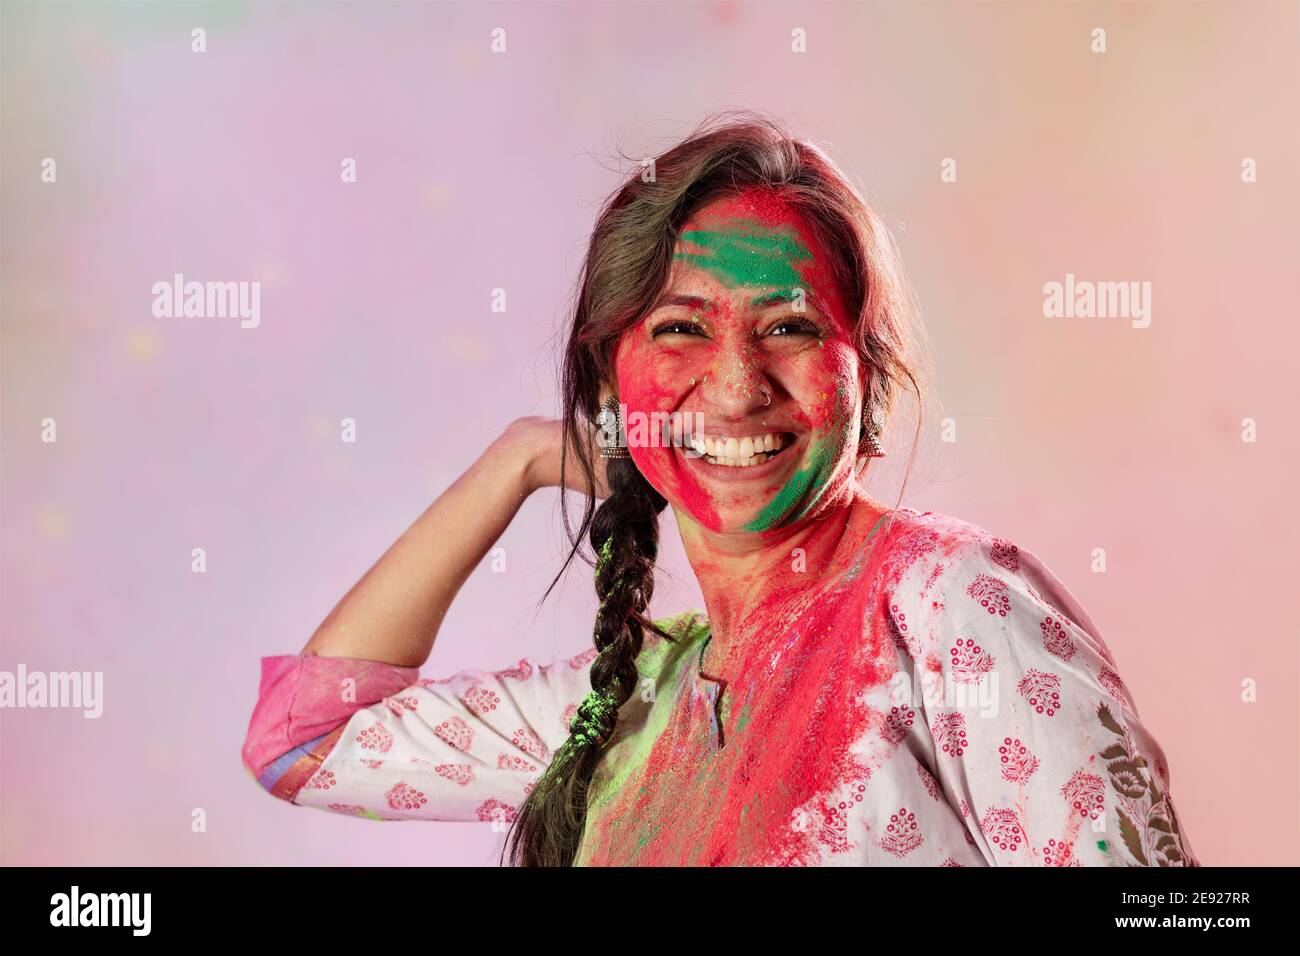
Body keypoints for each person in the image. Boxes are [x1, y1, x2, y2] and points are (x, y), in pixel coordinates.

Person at [241, 113, 1197, 867]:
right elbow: (300, 739)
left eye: (786, 326)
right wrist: (521, 458)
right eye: (679, 330)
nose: (738, 387)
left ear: (863, 368)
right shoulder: (631, 705)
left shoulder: (951, 605)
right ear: (609, 375)